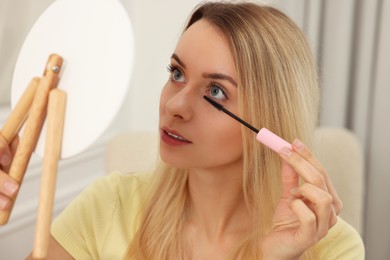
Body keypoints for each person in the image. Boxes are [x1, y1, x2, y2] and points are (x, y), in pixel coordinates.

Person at [0, 2, 364, 259]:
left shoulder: (333, 249)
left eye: (215, 91)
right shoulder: (108, 205)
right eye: (177, 73)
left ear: (272, 119)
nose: (174, 105)